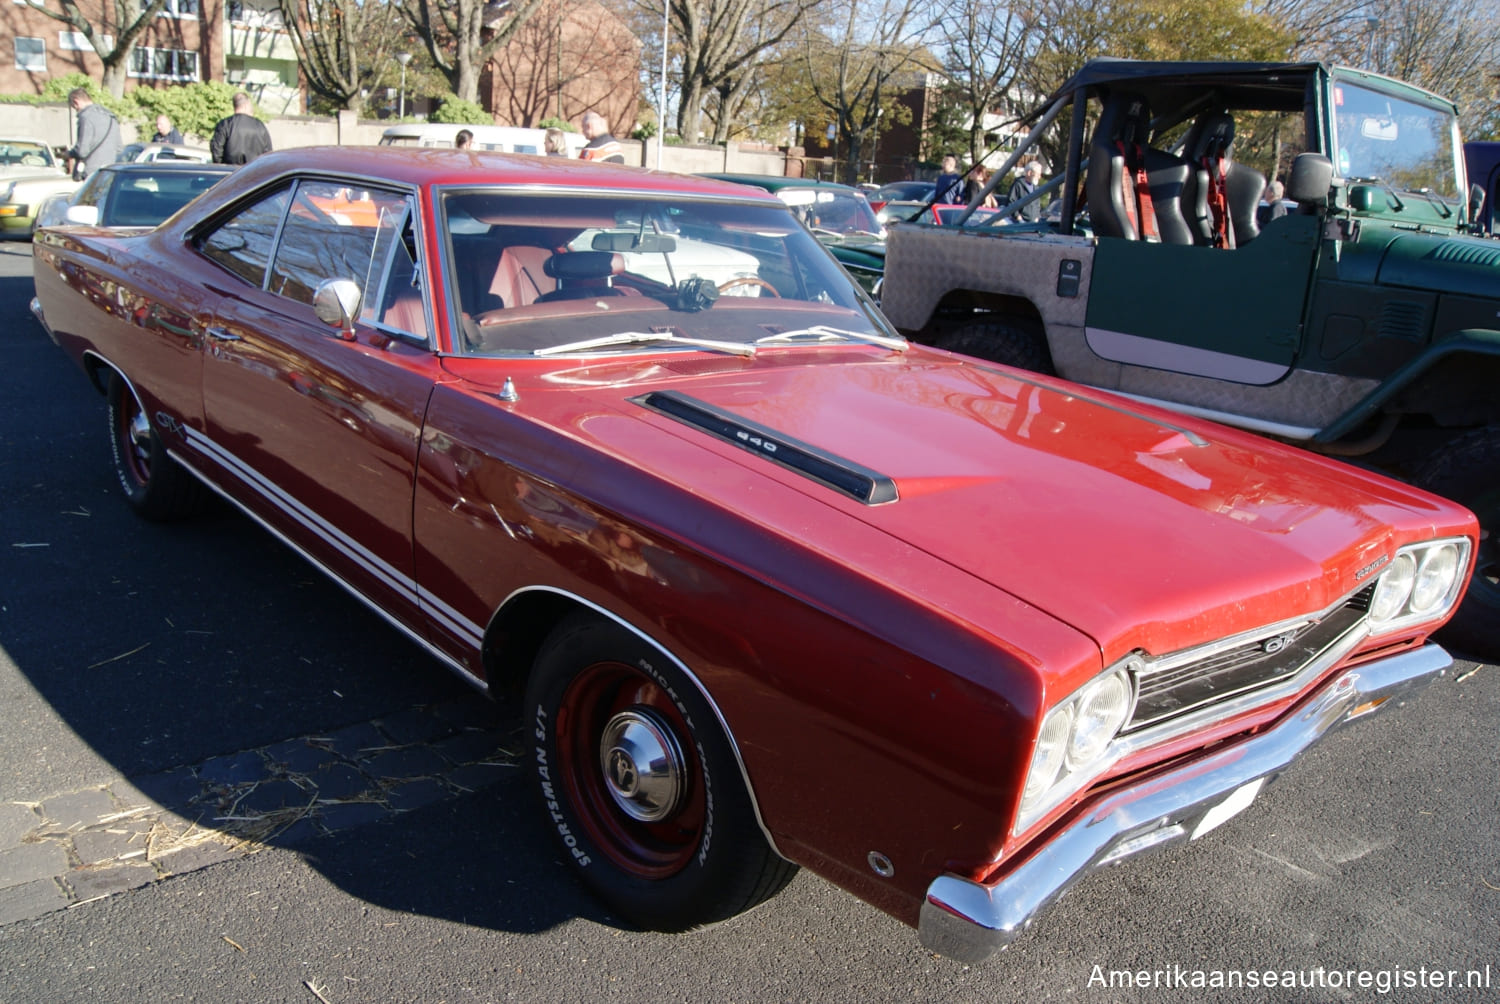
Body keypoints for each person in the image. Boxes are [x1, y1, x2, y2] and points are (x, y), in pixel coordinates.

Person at [65, 88, 120, 180]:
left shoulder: (86, 117)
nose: (76, 110)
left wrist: (69, 154)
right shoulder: (110, 116)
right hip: (110, 171)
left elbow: (82, 151)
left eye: (75, 108)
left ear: (76, 102)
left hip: (91, 173)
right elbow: (119, 148)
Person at [210, 91, 273, 165]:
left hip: (231, 172)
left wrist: (221, 166)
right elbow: (268, 153)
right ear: (247, 105)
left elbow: (216, 150)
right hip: (253, 171)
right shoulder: (259, 125)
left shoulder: (225, 124)